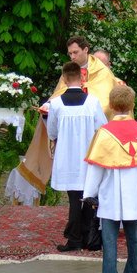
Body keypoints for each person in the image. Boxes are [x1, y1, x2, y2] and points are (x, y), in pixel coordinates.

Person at [12, 36, 119, 205]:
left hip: (90, 136)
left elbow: (105, 104)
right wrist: (49, 106)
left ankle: (89, 220)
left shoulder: (102, 72)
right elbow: (58, 95)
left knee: (92, 184)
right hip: (71, 138)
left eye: (75, 52)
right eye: (70, 53)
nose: (72, 57)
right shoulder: (69, 72)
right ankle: (79, 218)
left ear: (86, 50)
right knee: (75, 188)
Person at [83, 86, 137, 273]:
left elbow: (95, 167)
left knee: (109, 241)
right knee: (135, 238)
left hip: (110, 196)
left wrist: (89, 193)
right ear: (133, 105)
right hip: (134, 196)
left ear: (110, 105)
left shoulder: (104, 133)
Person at [46, 62, 107, 252]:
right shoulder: (92, 102)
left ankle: (74, 239)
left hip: (67, 158)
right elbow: (102, 128)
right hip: (88, 157)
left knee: (74, 200)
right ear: (82, 78)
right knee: (88, 197)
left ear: (64, 78)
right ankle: (88, 237)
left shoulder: (55, 104)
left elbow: (52, 132)